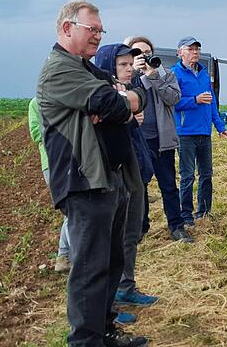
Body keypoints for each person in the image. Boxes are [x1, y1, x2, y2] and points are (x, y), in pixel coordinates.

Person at [36, 0, 148, 347]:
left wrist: (121, 100)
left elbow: (137, 95)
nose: (98, 36)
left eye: (101, 30)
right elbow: (114, 103)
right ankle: (86, 341)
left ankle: (105, 330)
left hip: (108, 178)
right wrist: (118, 101)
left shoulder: (86, 69)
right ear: (67, 28)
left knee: (112, 261)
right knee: (90, 268)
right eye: (92, 29)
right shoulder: (59, 70)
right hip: (84, 181)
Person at [93, 44, 160, 310]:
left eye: (130, 64)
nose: (129, 69)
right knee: (112, 241)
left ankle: (126, 287)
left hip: (134, 175)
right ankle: (109, 304)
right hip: (112, 177)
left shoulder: (131, 92)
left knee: (130, 236)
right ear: (109, 66)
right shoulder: (101, 94)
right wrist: (130, 116)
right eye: (122, 65)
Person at [125, 35, 191, 243]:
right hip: (138, 140)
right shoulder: (126, 77)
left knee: (169, 185)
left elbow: (173, 98)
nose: (143, 56)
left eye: (146, 52)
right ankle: (140, 228)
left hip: (162, 140)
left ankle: (176, 226)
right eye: (137, 53)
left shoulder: (166, 74)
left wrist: (153, 75)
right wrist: (134, 73)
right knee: (139, 186)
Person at [171, 36, 227, 227]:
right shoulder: (174, 74)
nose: (195, 52)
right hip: (186, 132)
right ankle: (186, 215)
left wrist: (219, 126)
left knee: (206, 174)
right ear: (180, 52)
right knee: (187, 175)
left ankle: (204, 212)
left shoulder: (204, 75)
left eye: (197, 49)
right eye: (190, 49)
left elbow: (211, 102)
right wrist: (194, 100)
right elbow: (173, 102)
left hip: (204, 132)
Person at [28, 97, 71, 273]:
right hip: (52, 163)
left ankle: (63, 256)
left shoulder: (66, 98)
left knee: (72, 210)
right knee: (71, 209)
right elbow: (35, 133)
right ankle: (69, 256)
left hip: (71, 160)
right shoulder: (35, 103)